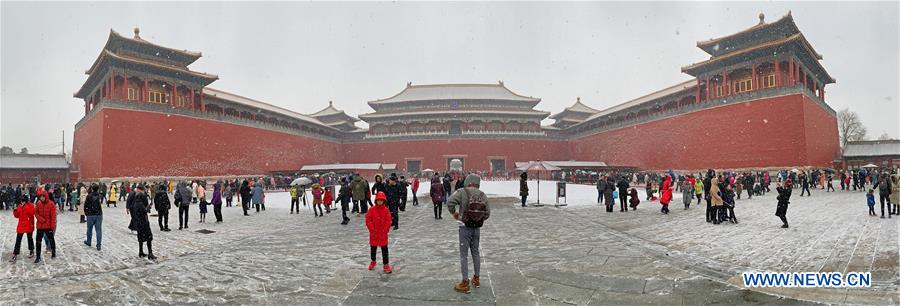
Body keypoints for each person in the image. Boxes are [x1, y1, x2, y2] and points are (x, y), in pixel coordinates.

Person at [447, 174, 490, 294]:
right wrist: (478, 218)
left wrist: (454, 213)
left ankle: (465, 282)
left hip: (464, 227)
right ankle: (476, 278)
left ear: (467, 181)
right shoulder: (482, 195)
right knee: (475, 252)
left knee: (463, 254)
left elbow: (450, 202)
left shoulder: (462, 191)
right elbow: (487, 213)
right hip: (477, 229)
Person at [366, 192, 392, 273]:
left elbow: (389, 221)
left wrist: (385, 230)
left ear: (384, 201)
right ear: (376, 201)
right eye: (378, 200)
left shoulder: (386, 210)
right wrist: (372, 229)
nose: (380, 202)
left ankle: (386, 264)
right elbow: (368, 219)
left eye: (381, 200)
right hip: (374, 233)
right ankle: (373, 261)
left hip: (383, 233)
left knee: (384, 250)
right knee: (373, 249)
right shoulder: (372, 210)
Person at [129, 185, 156, 260]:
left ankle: (140, 252)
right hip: (143, 222)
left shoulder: (136, 203)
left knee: (140, 237)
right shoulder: (140, 204)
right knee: (149, 237)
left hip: (138, 222)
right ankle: (150, 253)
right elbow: (144, 211)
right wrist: (149, 207)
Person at [33, 189, 57, 263]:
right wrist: (41, 219)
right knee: (38, 241)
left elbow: (53, 216)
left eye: (43, 197)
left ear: (46, 196)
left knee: (51, 240)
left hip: (48, 226)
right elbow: (36, 213)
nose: (41, 198)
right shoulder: (38, 204)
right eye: (40, 197)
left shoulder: (51, 204)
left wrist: (52, 226)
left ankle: (53, 252)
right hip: (40, 225)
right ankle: (38, 256)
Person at [10, 195, 35, 262]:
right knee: (18, 240)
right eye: (21, 200)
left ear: (26, 200)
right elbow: (17, 216)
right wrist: (15, 210)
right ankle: (15, 253)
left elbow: (31, 213)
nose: (21, 202)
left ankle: (31, 250)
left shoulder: (30, 205)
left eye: (23, 200)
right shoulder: (19, 206)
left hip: (29, 224)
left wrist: (25, 206)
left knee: (30, 238)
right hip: (21, 225)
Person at [83, 184, 103, 250]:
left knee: (89, 229)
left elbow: (85, 205)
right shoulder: (99, 195)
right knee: (98, 230)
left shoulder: (89, 196)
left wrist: (86, 213)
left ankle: (89, 241)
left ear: (92, 189)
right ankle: (99, 245)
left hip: (90, 214)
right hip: (99, 214)